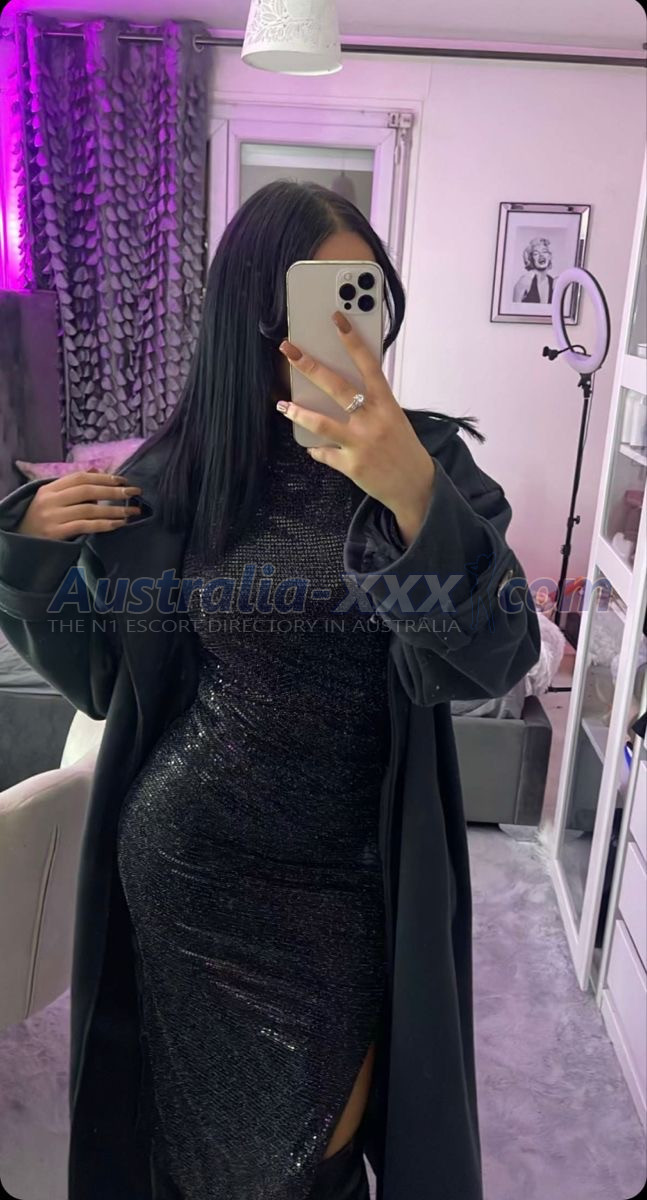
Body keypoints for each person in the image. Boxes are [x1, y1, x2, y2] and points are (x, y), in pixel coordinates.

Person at [0, 180, 541, 1200]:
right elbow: (106, 680)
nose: (347, 327)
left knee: (315, 1161)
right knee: (188, 1154)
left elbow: (494, 654)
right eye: (320, 300)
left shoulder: (431, 465)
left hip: (348, 886)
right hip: (188, 866)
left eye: (363, 295)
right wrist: (26, 554)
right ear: (254, 314)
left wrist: (412, 495)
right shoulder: (174, 478)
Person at [512, 235, 556, 303]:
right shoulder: (525, 281)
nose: (541, 255)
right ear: (531, 259)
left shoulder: (554, 283)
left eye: (544, 251)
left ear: (549, 256)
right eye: (536, 254)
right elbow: (513, 308)